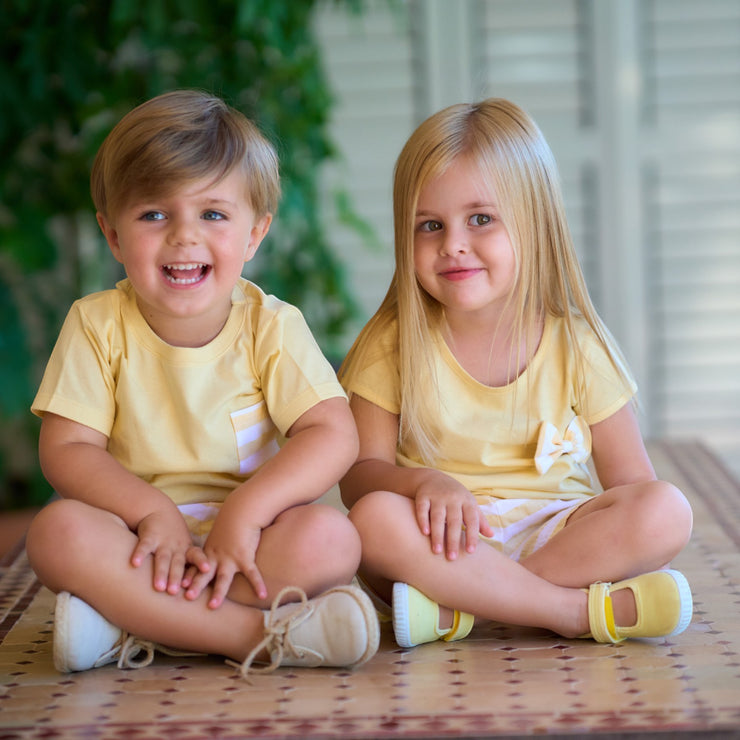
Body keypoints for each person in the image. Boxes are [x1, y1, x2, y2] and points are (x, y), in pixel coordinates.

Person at [26, 90, 378, 677]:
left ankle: (130, 622)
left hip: (252, 538)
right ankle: (254, 633)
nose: (184, 236)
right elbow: (66, 450)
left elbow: (332, 435)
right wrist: (150, 512)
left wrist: (246, 511)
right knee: (56, 532)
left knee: (332, 537)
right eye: (154, 214)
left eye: (213, 213)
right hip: (136, 536)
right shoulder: (95, 323)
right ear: (113, 236)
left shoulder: (273, 326)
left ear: (254, 234)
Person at [338, 98, 694, 648]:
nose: (452, 243)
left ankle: (466, 609)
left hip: (557, 538)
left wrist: (623, 532)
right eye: (429, 225)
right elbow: (359, 475)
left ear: (534, 221)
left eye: (480, 219)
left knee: (666, 510)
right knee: (373, 519)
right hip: (443, 543)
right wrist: (423, 482)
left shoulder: (577, 344)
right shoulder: (392, 343)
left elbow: (633, 484)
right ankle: (570, 612)